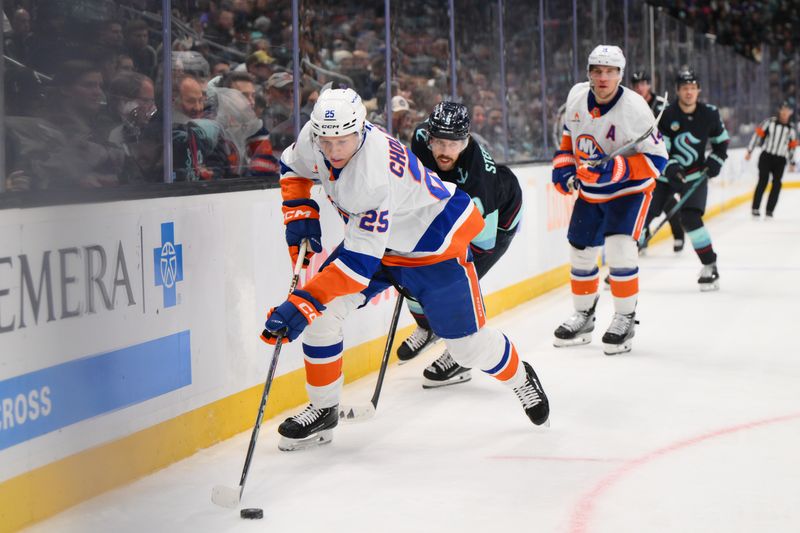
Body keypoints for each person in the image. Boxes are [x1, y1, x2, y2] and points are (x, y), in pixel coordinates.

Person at [260, 88, 549, 451]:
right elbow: (291, 166)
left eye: (343, 142)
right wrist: (300, 210)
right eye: (327, 141)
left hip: (435, 245)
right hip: (380, 244)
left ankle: (522, 378)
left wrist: (302, 302)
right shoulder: (316, 136)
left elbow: (357, 266)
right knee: (323, 314)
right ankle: (323, 409)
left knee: (466, 349)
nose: (333, 151)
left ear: (361, 131)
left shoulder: (371, 176)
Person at [394, 101, 524, 388]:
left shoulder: (480, 179)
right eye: (439, 142)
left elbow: (483, 243)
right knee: (411, 276)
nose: (444, 151)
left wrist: (441, 251)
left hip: (497, 222)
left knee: (455, 288)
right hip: (448, 210)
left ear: (466, 141)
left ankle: (462, 358)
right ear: (429, 136)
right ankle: (428, 329)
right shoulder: (419, 139)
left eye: (453, 144)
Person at [550, 45, 667, 355]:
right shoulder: (576, 96)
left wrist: (613, 170)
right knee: (580, 250)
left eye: (610, 71)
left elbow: (658, 161)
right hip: (591, 192)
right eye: (597, 71)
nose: (603, 77)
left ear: (620, 75)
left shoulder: (635, 108)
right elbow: (568, 137)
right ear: (589, 73)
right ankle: (584, 316)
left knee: (619, 249)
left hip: (629, 192)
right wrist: (563, 167)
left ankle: (625, 317)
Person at [644, 68, 729, 291]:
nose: (689, 92)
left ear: (698, 90)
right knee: (643, 215)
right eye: (685, 88)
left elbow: (722, 143)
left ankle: (710, 265)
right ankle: (621, 269)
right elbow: (661, 148)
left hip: (695, 175)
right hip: (665, 176)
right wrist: (671, 168)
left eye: (693, 88)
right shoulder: (667, 114)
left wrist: (716, 161)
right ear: (678, 91)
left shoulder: (710, 113)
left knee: (691, 219)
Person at [631, 70, 683, 251]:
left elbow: (673, 130)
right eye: (636, 85)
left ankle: (678, 235)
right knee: (647, 201)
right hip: (639, 158)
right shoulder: (628, 104)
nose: (640, 88)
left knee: (664, 200)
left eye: (643, 83)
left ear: (649, 85)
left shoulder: (662, 105)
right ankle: (641, 235)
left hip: (661, 158)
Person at [745, 100, 797, 218]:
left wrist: (792, 162)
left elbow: (792, 148)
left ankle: (769, 210)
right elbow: (757, 136)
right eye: (783, 110)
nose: (785, 112)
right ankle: (755, 208)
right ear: (780, 111)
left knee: (777, 184)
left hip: (780, 160)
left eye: (787, 110)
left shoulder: (791, 130)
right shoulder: (769, 122)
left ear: (790, 113)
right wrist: (750, 151)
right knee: (763, 180)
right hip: (767, 157)